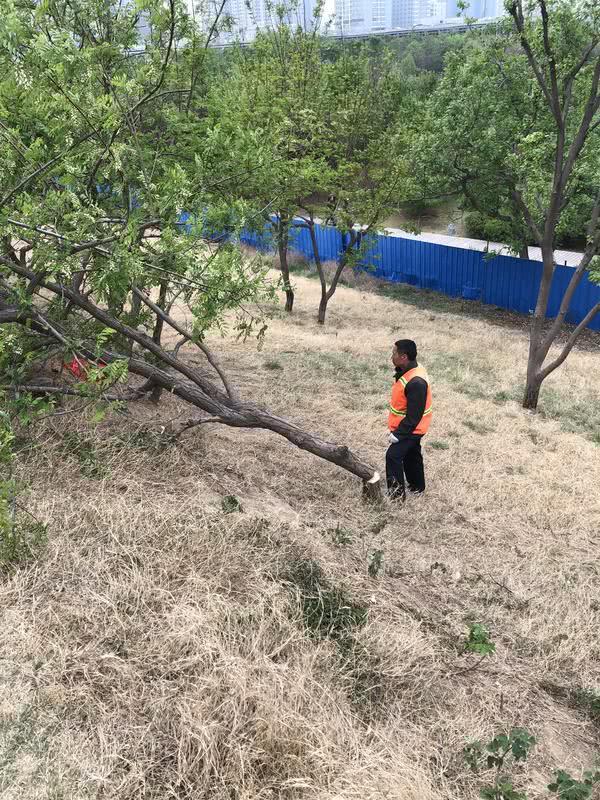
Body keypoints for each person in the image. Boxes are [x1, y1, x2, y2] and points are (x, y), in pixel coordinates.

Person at [386, 339, 432, 502]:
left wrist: (398, 434)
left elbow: (414, 416)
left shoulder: (416, 382)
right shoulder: (411, 369)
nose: (392, 356)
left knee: (393, 456)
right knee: (412, 454)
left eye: (394, 353)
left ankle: (396, 496)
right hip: (414, 426)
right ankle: (417, 486)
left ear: (404, 357)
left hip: (412, 428)